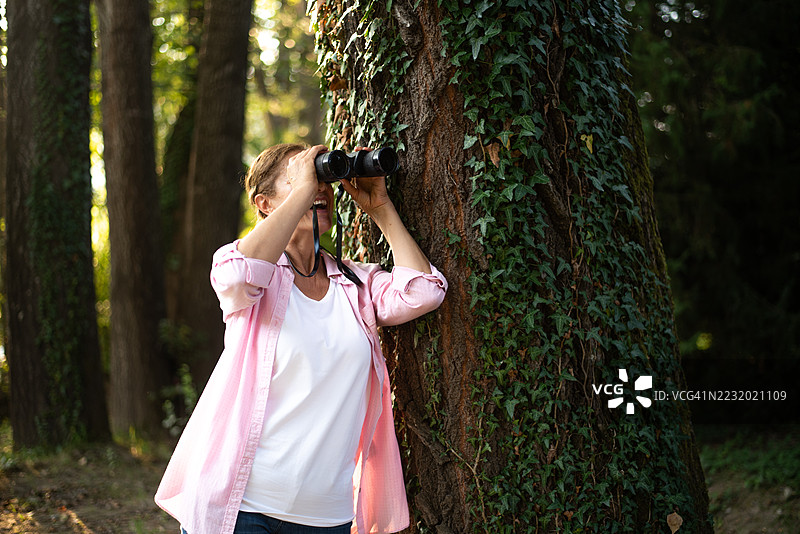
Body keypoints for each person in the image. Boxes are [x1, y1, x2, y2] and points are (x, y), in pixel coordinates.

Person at [155, 144, 448, 534]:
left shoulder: (355, 285)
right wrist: (303, 191)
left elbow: (425, 291)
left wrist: (380, 207)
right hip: (243, 506)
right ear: (265, 203)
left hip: (327, 517)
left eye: (323, 177)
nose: (319, 188)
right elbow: (237, 273)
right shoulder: (254, 280)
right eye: (300, 175)